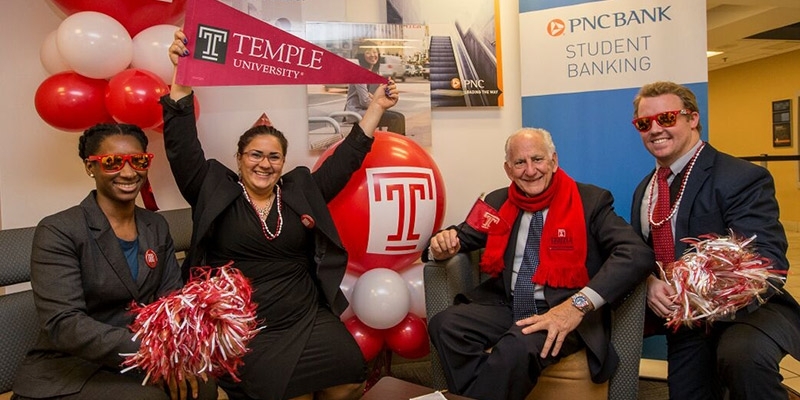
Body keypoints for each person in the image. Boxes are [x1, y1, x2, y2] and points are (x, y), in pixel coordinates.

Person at [162, 30, 399, 400]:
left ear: (283, 163)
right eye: (255, 154)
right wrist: (180, 77)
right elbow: (182, 147)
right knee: (292, 393)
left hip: (305, 313)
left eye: (274, 156)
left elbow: (346, 160)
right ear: (239, 159)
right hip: (248, 324)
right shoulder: (212, 188)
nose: (264, 163)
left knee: (350, 376)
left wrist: (377, 109)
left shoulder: (300, 191)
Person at [426, 128, 654, 400]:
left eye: (538, 159)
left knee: (517, 346)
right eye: (520, 163)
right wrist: (439, 247)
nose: (530, 170)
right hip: (508, 304)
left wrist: (577, 305)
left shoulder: (590, 201)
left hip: (563, 310)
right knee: (445, 324)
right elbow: (460, 236)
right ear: (508, 169)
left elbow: (636, 253)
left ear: (554, 161)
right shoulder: (498, 202)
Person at [11, 124, 217, 400]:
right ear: (90, 166)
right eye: (112, 162)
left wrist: (179, 352)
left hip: (141, 360)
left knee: (203, 389)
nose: (129, 172)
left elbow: (171, 302)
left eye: (139, 161)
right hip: (73, 366)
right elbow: (65, 324)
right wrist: (153, 349)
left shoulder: (155, 225)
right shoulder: (59, 230)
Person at [630, 81, 800, 400]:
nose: (654, 129)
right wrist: (650, 281)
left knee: (742, 359)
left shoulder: (739, 177)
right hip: (688, 325)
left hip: (747, 313)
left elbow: (768, 262)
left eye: (666, 118)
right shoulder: (647, 188)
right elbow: (640, 254)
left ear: (692, 118)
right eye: (644, 123)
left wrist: (690, 289)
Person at [345, 44, 406, 135]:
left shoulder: (374, 73)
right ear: (362, 56)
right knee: (395, 119)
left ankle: (399, 146)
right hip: (356, 113)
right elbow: (364, 101)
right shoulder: (359, 74)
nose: (373, 55)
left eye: (374, 52)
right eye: (368, 52)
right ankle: (390, 147)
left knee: (400, 116)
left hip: (367, 110)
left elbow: (375, 96)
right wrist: (379, 105)